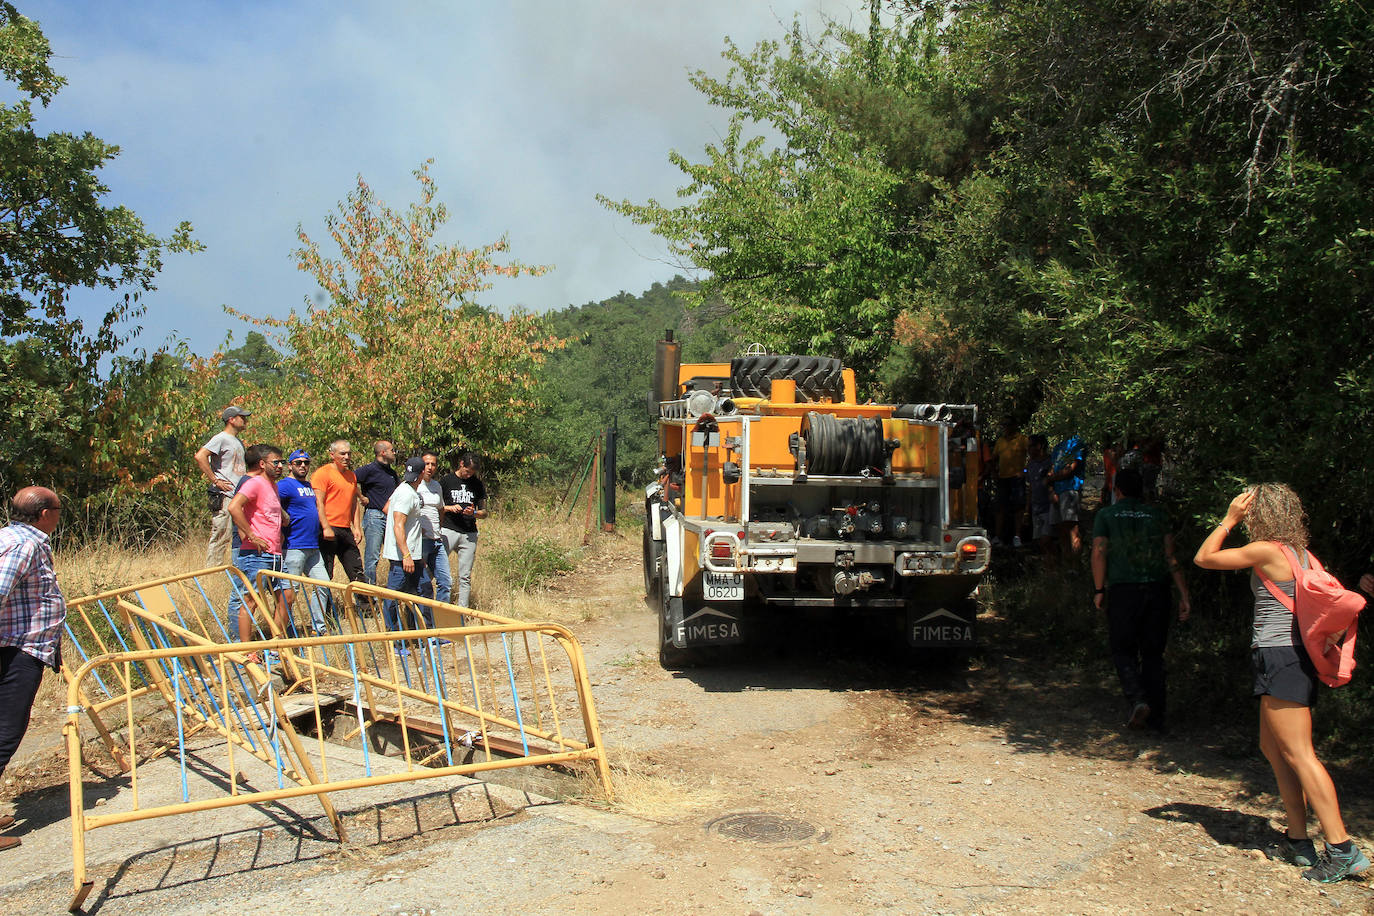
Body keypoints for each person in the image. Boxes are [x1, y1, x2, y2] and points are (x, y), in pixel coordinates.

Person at [1194, 484, 1369, 883]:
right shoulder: (1307, 556)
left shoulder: (1268, 551)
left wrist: (1229, 519)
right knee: (1273, 748)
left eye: (1251, 512)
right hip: (1288, 658)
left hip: (1281, 657)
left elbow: (1204, 557)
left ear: (1262, 515)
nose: (1247, 519)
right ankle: (1297, 841)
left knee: (1300, 753)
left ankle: (1342, 849)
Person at [1091, 468, 1191, 731]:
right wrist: (1184, 594)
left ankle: (1137, 699)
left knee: (1123, 649)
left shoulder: (1106, 515)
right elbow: (1171, 557)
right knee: (1153, 654)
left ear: (1117, 490)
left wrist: (1099, 589)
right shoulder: (1158, 515)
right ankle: (1157, 719)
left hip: (1123, 590)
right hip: (1157, 589)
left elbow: (1099, 552)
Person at [0, 487, 66, 852]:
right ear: (44, 514)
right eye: (58, 508)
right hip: (16, 651)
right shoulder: (27, 545)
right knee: (6, 732)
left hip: (15, 647)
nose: (59, 515)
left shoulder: (8, 536)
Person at [226, 444, 288, 645]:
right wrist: (251, 535)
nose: (280, 466)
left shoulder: (273, 486)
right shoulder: (254, 483)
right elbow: (234, 507)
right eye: (276, 462)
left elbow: (267, 511)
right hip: (257, 554)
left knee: (287, 596)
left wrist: (283, 518)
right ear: (262, 464)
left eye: (282, 462)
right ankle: (246, 649)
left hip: (276, 553)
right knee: (252, 600)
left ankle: (275, 645)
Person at [382, 457, 435, 642]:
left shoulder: (406, 490)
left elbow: (389, 510)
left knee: (424, 590)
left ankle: (425, 634)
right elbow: (398, 525)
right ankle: (394, 639)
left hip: (412, 555)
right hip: (402, 557)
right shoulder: (406, 493)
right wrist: (406, 554)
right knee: (393, 596)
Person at [277, 449, 330, 635]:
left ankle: (319, 627)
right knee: (290, 592)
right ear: (290, 465)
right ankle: (285, 630)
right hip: (293, 546)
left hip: (313, 546)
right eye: (298, 462)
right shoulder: (284, 485)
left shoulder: (308, 485)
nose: (302, 466)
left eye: (306, 462)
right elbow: (271, 503)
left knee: (323, 584)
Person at [194, 406, 250, 567]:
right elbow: (200, 456)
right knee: (221, 534)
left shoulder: (237, 441)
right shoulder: (221, 438)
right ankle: (212, 572)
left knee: (240, 535)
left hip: (237, 496)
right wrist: (215, 480)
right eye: (242, 417)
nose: (245, 420)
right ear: (231, 419)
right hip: (225, 494)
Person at [312, 440, 364, 586]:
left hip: (346, 530)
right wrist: (326, 527)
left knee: (357, 571)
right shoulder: (322, 474)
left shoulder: (351, 476)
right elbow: (319, 503)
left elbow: (354, 504)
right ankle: (326, 609)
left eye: (349, 453)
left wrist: (357, 528)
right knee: (326, 574)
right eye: (342, 453)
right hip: (328, 530)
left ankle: (366, 607)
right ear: (332, 455)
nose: (346, 457)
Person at [440, 451, 488, 609]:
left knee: (465, 575)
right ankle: (440, 607)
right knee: (438, 570)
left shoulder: (477, 484)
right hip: (448, 529)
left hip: (469, 533)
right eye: (467, 471)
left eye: (472, 473)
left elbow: (484, 512)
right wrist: (449, 508)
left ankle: (463, 611)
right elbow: (437, 506)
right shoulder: (446, 481)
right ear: (461, 464)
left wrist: (474, 513)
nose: (469, 475)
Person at [356, 440, 399, 585]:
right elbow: (350, 479)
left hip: (391, 518)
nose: (394, 453)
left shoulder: (392, 473)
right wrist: (361, 497)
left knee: (395, 555)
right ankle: (369, 595)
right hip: (374, 517)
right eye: (392, 450)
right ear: (383, 452)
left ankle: (393, 592)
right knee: (372, 557)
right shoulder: (369, 469)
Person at [417, 451, 451, 603]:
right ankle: (417, 620)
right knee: (421, 584)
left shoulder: (437, 486)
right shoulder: (414, 485)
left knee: (445, 582)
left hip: (437, 540)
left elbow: (440, 509)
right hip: (421, 541)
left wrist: (439, 527)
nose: (430, 467)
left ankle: (441, 619)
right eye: (427, 464)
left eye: (433, 464)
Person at [988, 419, 1028, 547]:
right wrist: (994, 473)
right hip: (1002, 478)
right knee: (1000, 507)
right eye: (1004, 425)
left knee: (1018, 507)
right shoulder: (1000, 441)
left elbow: (1032, 455)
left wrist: (1025, 471)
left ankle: (1017, 536)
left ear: (1014, 426)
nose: (1006, 428)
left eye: (1008, 425)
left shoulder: (1022, 439)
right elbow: (993, 459)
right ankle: (998, 536)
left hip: (1017, 477)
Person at [1048, 433, 1086, 557]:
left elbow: (1071, 469)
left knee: (1072, 528)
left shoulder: (1078, 443)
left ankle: (1076, 564)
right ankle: (1066, 562)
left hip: (1070, 489)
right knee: (1061, 530)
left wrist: (1052, 478)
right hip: (1057, 491)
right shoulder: (1058, 447)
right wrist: (1052, 489)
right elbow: (1052, 469)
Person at [1024, 435, 1055, 557]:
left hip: (1049, 507)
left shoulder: (1050, 462)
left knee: (1047, 539)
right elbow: (1030, 487)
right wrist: (1027, 510)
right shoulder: (1030, 464)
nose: (1028, 449)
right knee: (1039, 542)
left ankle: (1056, 565)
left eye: (1031, 446)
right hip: (1036, 507)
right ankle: (1048, 568)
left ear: (1039, 446)